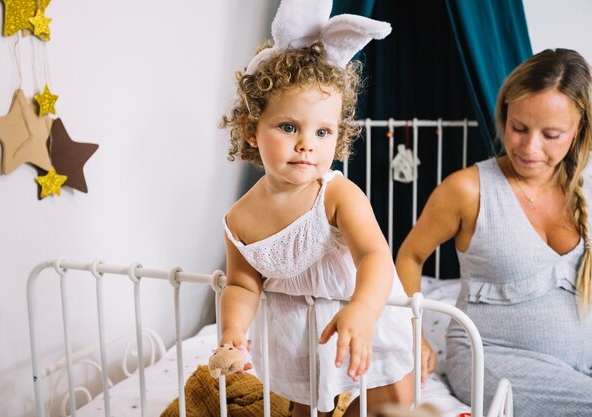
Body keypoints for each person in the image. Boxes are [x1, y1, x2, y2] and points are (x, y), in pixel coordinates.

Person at [217, 1, 415, 416]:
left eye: (323, 131)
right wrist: (233, 333)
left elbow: (375, 256)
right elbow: (241, 284)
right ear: (252, 131)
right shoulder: (240, 217)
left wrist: (362, 311)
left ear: (338, 135)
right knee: (308, 406)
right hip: (301, 336)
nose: (307, 143)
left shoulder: (337, 194)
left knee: (390, 401)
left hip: (364, 314)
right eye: (289, 127)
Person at [395, 48, 592, 417]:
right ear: (504, 115)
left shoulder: (586, 191)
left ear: (578, 129)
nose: (529, 148)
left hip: (580, 363)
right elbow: (409, 256)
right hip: (493, 358)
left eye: (551, 134)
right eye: (518, 128)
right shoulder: (468, 190)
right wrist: (413, 330)